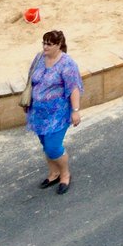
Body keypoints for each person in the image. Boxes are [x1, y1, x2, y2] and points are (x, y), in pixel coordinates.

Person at [25, 29, 83, 194]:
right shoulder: (39, 58)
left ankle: (65, 174)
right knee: (45, 144)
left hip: (57, 114)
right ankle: (53, 172)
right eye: (44, 43)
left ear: (59, 45)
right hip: (38, 113)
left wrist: (75, 110)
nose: (45, 47)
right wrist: (28, 101)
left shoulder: (67, 64)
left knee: (53, 147)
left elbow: (74, 88)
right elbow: (31, 79)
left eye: (49, 44)